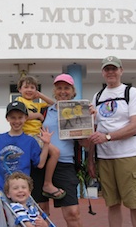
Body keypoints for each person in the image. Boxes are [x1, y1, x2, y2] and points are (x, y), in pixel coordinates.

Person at [88, 56, 136, 227]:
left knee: (135, 203)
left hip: (129, 155)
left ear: (121, 70)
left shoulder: (131, 92)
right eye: (107, 69)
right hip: (105, 158)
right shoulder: (98, 96)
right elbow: (94, 130)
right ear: (102, 73)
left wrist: (107, 137)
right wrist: (91, 160)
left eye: (114, 68)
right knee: (112, 204)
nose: (110, 72)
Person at [32, 73, 84, 227]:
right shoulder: (46, 111)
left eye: (66, 88)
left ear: (73, 91)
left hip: (65, 164)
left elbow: (85, 142)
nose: (63, 91)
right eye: (59, 88)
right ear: (54, 91)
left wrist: (90, 120)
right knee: (40, 212)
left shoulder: (80, 111)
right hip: (40, 164)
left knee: (73, 213)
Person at [0, 101, 52, 191]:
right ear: (7, 118)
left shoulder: (30, 141)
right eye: (13, 118)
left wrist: (46, 144)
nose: (17, 121)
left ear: (25, 118)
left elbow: (40, 164)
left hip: (20, 189)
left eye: (20, 117)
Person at [16, 75, 65, 199]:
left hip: (37, 136)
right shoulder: (19, 101)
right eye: (26, 87)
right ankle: (47, 183)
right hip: (29, 135)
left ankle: (46, 182)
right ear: (19, 90)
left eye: (32, 87)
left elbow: (53, 103)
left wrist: (40, 95)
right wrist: (38, 115)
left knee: (51, 154)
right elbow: (22, 115)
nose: (29, 90)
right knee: (55, 152)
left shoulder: (35, 104)